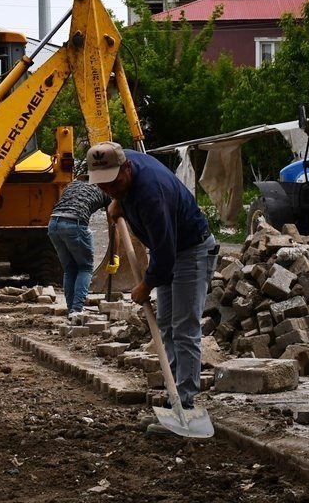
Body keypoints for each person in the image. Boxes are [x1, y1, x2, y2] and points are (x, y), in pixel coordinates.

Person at [86, 142, 217, 418]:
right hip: (169, 251)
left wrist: (145, 285)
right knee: (167, 326)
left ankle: (186, 402)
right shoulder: (121, 163)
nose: (108, 188)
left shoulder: (151, 195)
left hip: (190, 251)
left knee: (184, 327)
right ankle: (175, 395)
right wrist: (117, 200)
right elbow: (162, 251)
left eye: (113, 183)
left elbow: (165, 253)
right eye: (102, 185)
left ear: (127, 168)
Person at [47, 175, 110, 317]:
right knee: (85, 268)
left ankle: (71, 310)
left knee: (69, 269)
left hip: (53, 224)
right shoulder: (106, 189)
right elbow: (113, 224)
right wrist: (115, 254)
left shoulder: (73, 184)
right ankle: (76, 310)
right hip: (74, 224)